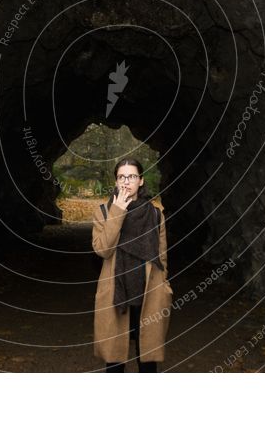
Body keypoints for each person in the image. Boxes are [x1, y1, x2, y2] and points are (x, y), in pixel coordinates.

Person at [92, 158, 173, 372]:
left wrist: (164, 287)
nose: (126, 181)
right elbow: (103, 249)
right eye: (121, 177)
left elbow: (162, 255)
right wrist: (117, 211)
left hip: (149, 293)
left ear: (141, 181)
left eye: (132, 176)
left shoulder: (155, 213)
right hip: (117, 293)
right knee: (115, 358)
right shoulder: (103, 211)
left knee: (147, 359)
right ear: (116, 181)